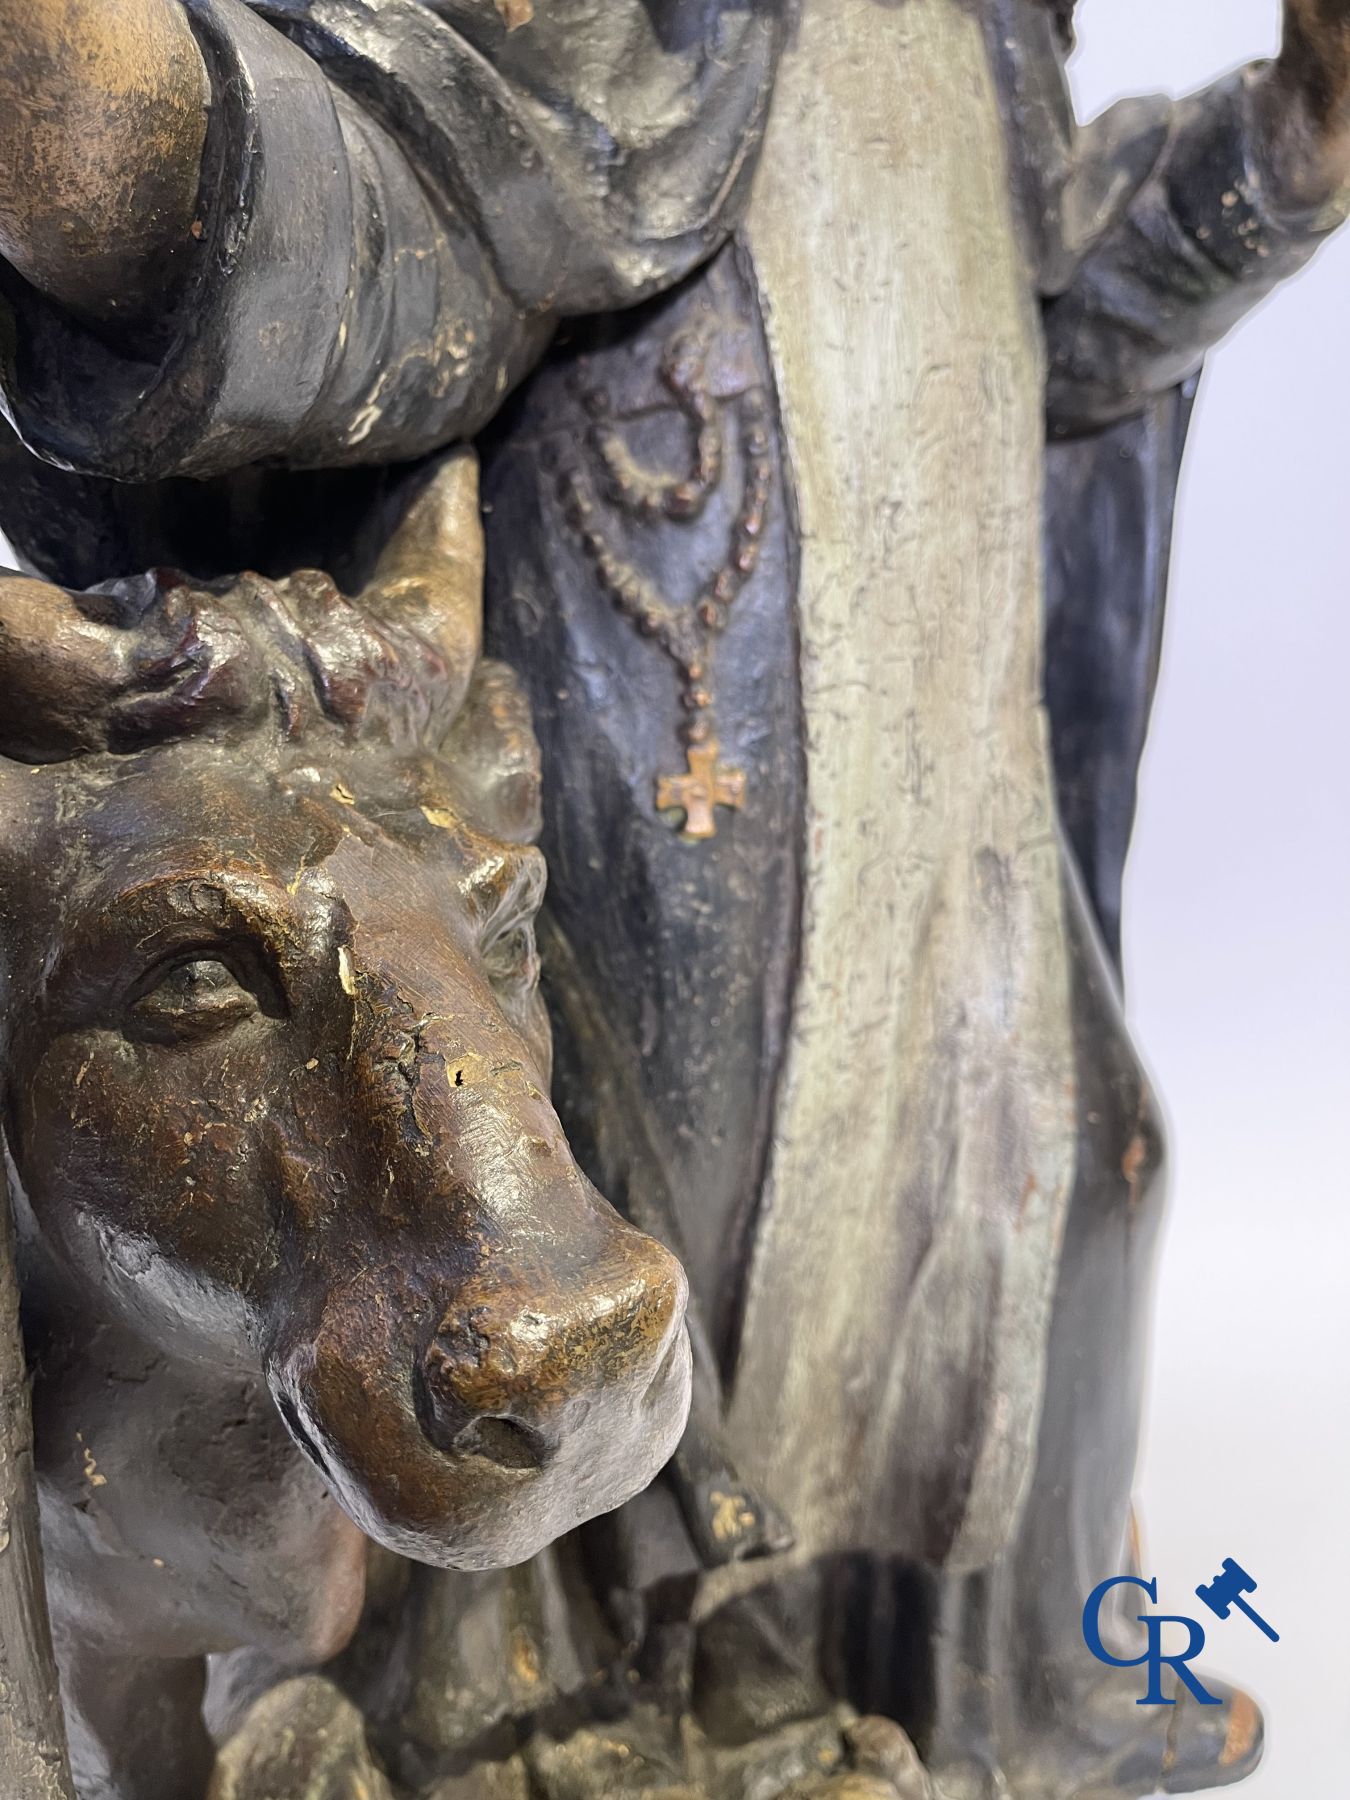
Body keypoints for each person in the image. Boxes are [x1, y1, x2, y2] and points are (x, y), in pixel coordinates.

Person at [1, 3, 1347, 1796]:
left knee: (1031, 1219)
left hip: (936, 812)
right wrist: (127, 133)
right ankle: (592, 1718)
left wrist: (1282, 151)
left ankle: (936, 1677)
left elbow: (1055, 323)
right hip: (624, 792)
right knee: (634, 1263)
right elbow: (349, 217)